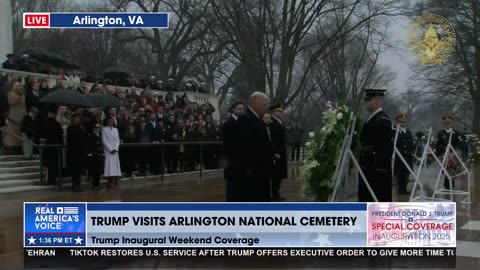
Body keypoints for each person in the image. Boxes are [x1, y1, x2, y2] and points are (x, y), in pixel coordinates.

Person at [236, 92, 273, 202]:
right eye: (264, 104)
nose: (266, 107)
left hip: (262, 169)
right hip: (254, 170)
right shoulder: (246, 119)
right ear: (254, 103)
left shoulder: (257, 118)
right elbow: (245, 146)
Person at [359, 89, 394, 202]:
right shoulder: (373, 118)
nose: (365, 102)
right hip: (368, 167)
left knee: (376, 201)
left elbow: (385, 149)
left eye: (367, 100)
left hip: (376, 171)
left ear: (377, 100)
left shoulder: (382, 120)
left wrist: (380, 171)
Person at [222, 101, 245, 201]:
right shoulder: (228, 123)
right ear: (233, 109)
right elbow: (228, 143)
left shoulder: (242, 122)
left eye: (242, 109)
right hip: (232, 159)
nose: (241, 111)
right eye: (239, 109)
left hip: (240, 158)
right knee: (232, 184)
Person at [435, 115, 461, 190]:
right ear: (444, 124)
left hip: (452, 154)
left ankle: (450, 185)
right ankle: (446, 184)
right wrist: (438, 154)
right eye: (446, 123)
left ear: (451, 123)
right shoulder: (441, 133)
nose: (447, 124)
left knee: (452, 170)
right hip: (443, 154)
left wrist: (457, 150)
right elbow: (438, 144)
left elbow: (458, 143)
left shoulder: (455, 132)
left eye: (449, 123)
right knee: (445, 170)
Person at [269, 104, 288, 201]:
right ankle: (274, 194)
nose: (281, 113)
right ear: (273, 112)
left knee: (279, 174)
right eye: (279, 111)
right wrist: (274, 152)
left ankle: (276, 193)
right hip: (276, 153)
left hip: (281, 151)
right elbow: (272, 139)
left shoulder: (280, 122)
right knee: (276, 175)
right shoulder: (272, 123)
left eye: (281, 111)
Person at [393, 114, 414, 195]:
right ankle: (400, 189)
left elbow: (411, 143)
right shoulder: (395, 131)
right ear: (398, 122)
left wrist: (412, 151)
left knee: (406, 173)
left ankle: (404, 189)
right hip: (399, 156)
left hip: (407, 156)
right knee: (400, 173)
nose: (403, 123)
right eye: (401, 121)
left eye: (404, 121)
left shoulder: (408, 132)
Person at [66, 113, 85, 192]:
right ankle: (74, 185)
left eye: (79, 118)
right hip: (73, 151)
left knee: (79, 169)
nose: (77, 119)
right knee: (74, 169)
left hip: (80, 151)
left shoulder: (81, 128)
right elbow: (70, 140)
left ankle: (78, 184)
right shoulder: (70, 128)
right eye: (76, 118)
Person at [44, 106, 63, 185]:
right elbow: (60, 135)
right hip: (56, 147)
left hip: (48, 146)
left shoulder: (45, 123)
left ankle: (48, 180)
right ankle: (53, 180)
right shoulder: (57, 124)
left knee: (48, 165)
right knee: (54, 164)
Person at [102, 117, 121, 189]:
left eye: (112, 121)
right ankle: (109, 180)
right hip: (108, 150)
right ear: (107, 122)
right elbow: (104, 140)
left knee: (115, 165)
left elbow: (118, 140)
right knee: (109, 165)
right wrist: (110, 149)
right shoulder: (104, 129)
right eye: (109, 121)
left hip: (115, 150)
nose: (110, 122)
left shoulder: (116, 130)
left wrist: (116, 148)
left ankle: (116, 179)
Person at [85, 123, 104, 190]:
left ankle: (97, 184)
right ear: (94, 128)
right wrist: (90, 154)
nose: (98, 129)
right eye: (97, 127)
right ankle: (94, 185)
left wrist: (102, 153)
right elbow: (89, 146)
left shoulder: (100, 135)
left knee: (98, 171)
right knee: (93, 171)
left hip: (99, 155)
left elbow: (101, 145)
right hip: (94, 155)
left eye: (99, 127)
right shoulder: (91, 135)